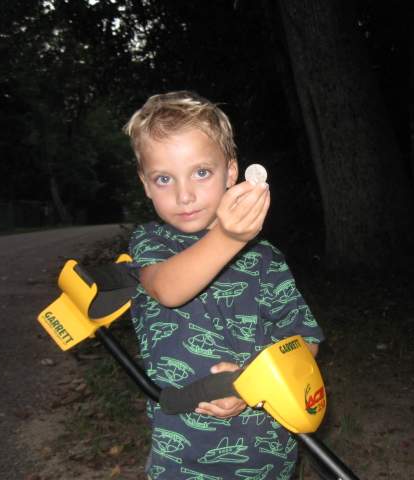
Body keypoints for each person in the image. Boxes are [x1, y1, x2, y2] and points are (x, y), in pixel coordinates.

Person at [124, 90, 324, 479]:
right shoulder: (151, 243)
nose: (184, 195)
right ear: (145, 184)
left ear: (231, 172)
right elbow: (168, 288)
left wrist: (254, 380)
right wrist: (229, 238)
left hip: (267, 448)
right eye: (163, 179)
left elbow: (306, 339)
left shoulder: (266, 258)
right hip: (183, 455)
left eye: (201, 172)